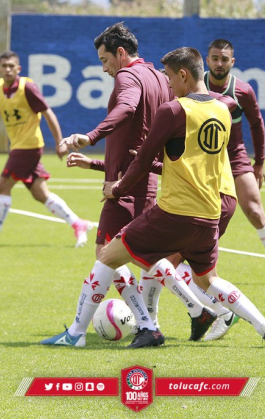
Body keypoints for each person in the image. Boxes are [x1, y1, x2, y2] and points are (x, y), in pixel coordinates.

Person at [42, 47, 265, 348]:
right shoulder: (223, 109)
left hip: (174, 213)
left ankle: (76, 334)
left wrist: (117, 188)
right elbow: (187, 161)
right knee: (207, 281)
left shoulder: (174, 110)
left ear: (184, 75)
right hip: (209, 216)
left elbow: (144, 161)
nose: (168, 87)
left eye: (171, 79)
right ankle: (263, 324)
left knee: (107, 255)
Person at [59, 22, 172, 324]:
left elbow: (126, 108)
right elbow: (139, 137)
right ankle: (193, 310)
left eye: (104, 60)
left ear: (120, 53)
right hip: (143, 179)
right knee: (143, 255)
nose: (105, 68)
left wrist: (91, 135)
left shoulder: (127, 75)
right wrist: (96, 164)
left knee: (107, 252)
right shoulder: (158, 78)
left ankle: (149, 321)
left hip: (125, 185)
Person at [0, 51, 91, 247]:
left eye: (11, 66)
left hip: (29, 146)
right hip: (18, 145)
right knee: (40, 193)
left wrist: (60, 141)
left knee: (3, 185)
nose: (8, 69)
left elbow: (47, 113)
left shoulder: (27, 87)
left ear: (18, 68)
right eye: (4, 66)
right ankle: (78, 223)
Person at [204, 39, 265, 287]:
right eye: (215, 58)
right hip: (203, 160)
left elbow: (257, 125)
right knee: (200, 216)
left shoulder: (243, 90)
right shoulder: (196, 85)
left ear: (232, 62)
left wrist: (259, 163)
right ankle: (188, 267)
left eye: (224, 59)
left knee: (255, 211)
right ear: (207, 60)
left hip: (235, 157)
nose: (219, 63)